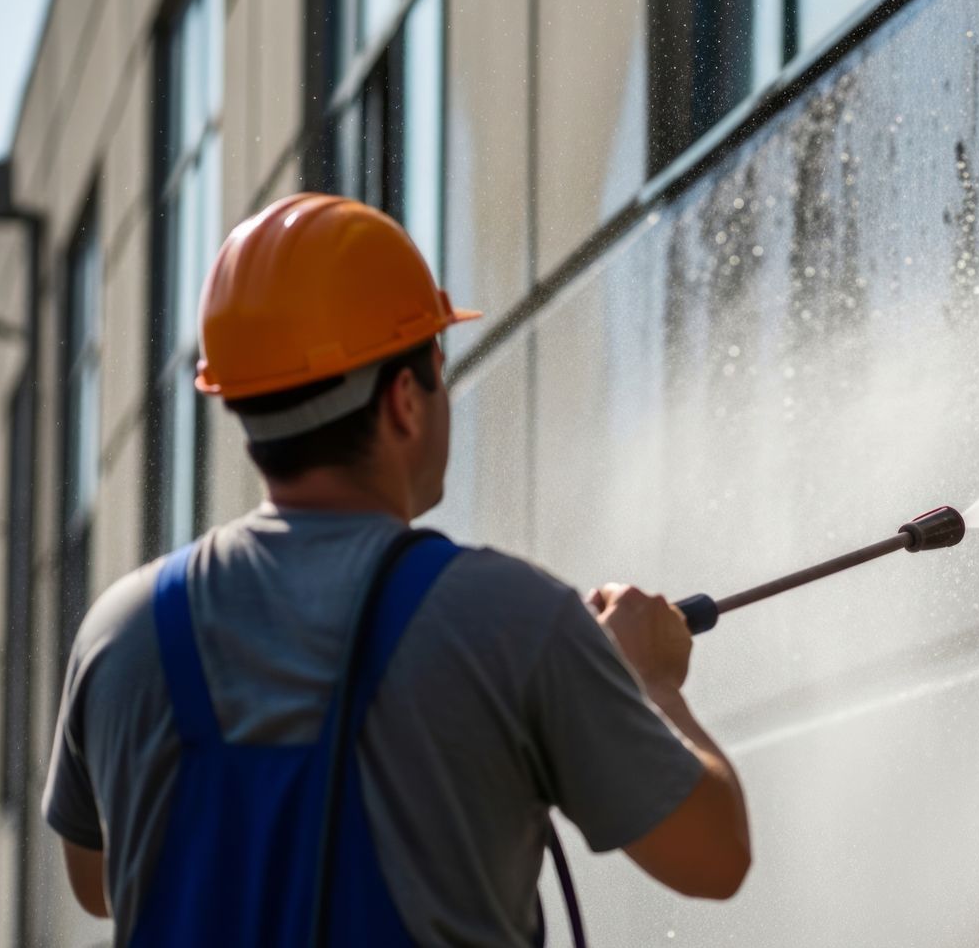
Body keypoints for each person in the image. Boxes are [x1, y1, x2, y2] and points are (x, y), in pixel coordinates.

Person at [44, 193, 749, 945]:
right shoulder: (510, 621)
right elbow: (716, 857)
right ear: (406, 400)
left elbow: (98, 882)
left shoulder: (120, 634)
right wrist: (650, 684)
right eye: (439, 365)